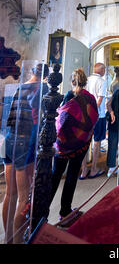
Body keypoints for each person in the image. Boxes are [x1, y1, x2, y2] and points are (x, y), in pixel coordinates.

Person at [1, 63, 49, 244]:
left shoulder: (21, 86)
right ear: (45, 75)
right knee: (23, 197)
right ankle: (19, 241)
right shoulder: (42, 87)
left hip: (9, 138)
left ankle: (9, 238)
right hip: (25, 140)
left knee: (9, 194)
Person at [50, 68, 98, 220]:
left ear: (72, 81)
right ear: (85, 81)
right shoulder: (90, 98)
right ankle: (65, 211)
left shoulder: (68, 96)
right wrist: (82, 135)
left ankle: (42, 213)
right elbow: (92, 119)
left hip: (63, 144)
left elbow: (60, 120)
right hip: (81, 143)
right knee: (72, 175)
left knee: (55, 175)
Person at [80, 62, 107, 179]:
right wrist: (93, 113)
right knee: (97, 142)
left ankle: (83, 170)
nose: (105, 72)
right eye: (104, 69)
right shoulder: (102, 81)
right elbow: (99, 100)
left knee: (85, 142)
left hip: (85, 115)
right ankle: (94, 169)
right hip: (98, 116)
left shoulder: (87, 80)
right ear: (101, 70)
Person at [106, 87, 119, 178]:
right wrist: (112, 114)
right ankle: (111, 168)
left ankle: (111, 168)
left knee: (113, 144)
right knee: (113, 144)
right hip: (115, 121)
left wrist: (111, 113)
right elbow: (108, 104)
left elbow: (108, 104)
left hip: (114, 121)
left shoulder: (117, 91)